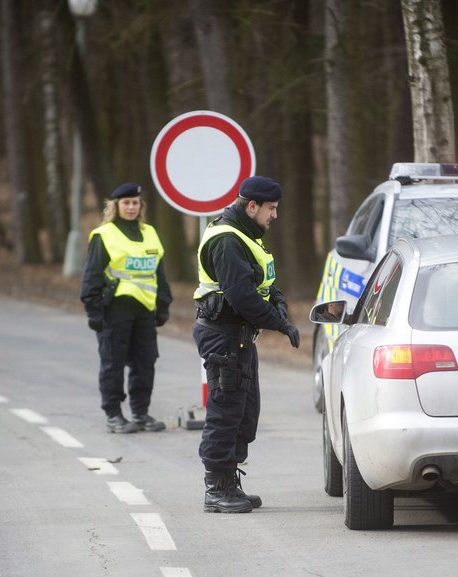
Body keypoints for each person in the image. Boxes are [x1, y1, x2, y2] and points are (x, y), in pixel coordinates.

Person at [193, 175, 300, 513]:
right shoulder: (228, 240)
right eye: (271, 208)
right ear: (251, 206)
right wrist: (279, 323)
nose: (275, 215)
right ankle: (216, 488)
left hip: (238, 336)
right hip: (223, 333)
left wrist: (279, 303)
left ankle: (230, 482)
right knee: (225, 411)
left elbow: (264, 283)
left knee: (244, 410)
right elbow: (241, 296)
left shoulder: (246, 235)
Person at [80, 182, 173, 434]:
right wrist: (93, 310)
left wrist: (163, 304)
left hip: (144, 309)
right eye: (126, 203)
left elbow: (159, 273)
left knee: (146, 362)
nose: (131, 207)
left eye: (135, 203)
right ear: (116, 206)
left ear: (140, 205)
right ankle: (113, 415)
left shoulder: (150, 233)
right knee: (113, 362)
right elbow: (92, 275)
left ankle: (141, 413)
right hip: (115, 309)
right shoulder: (104, 235)